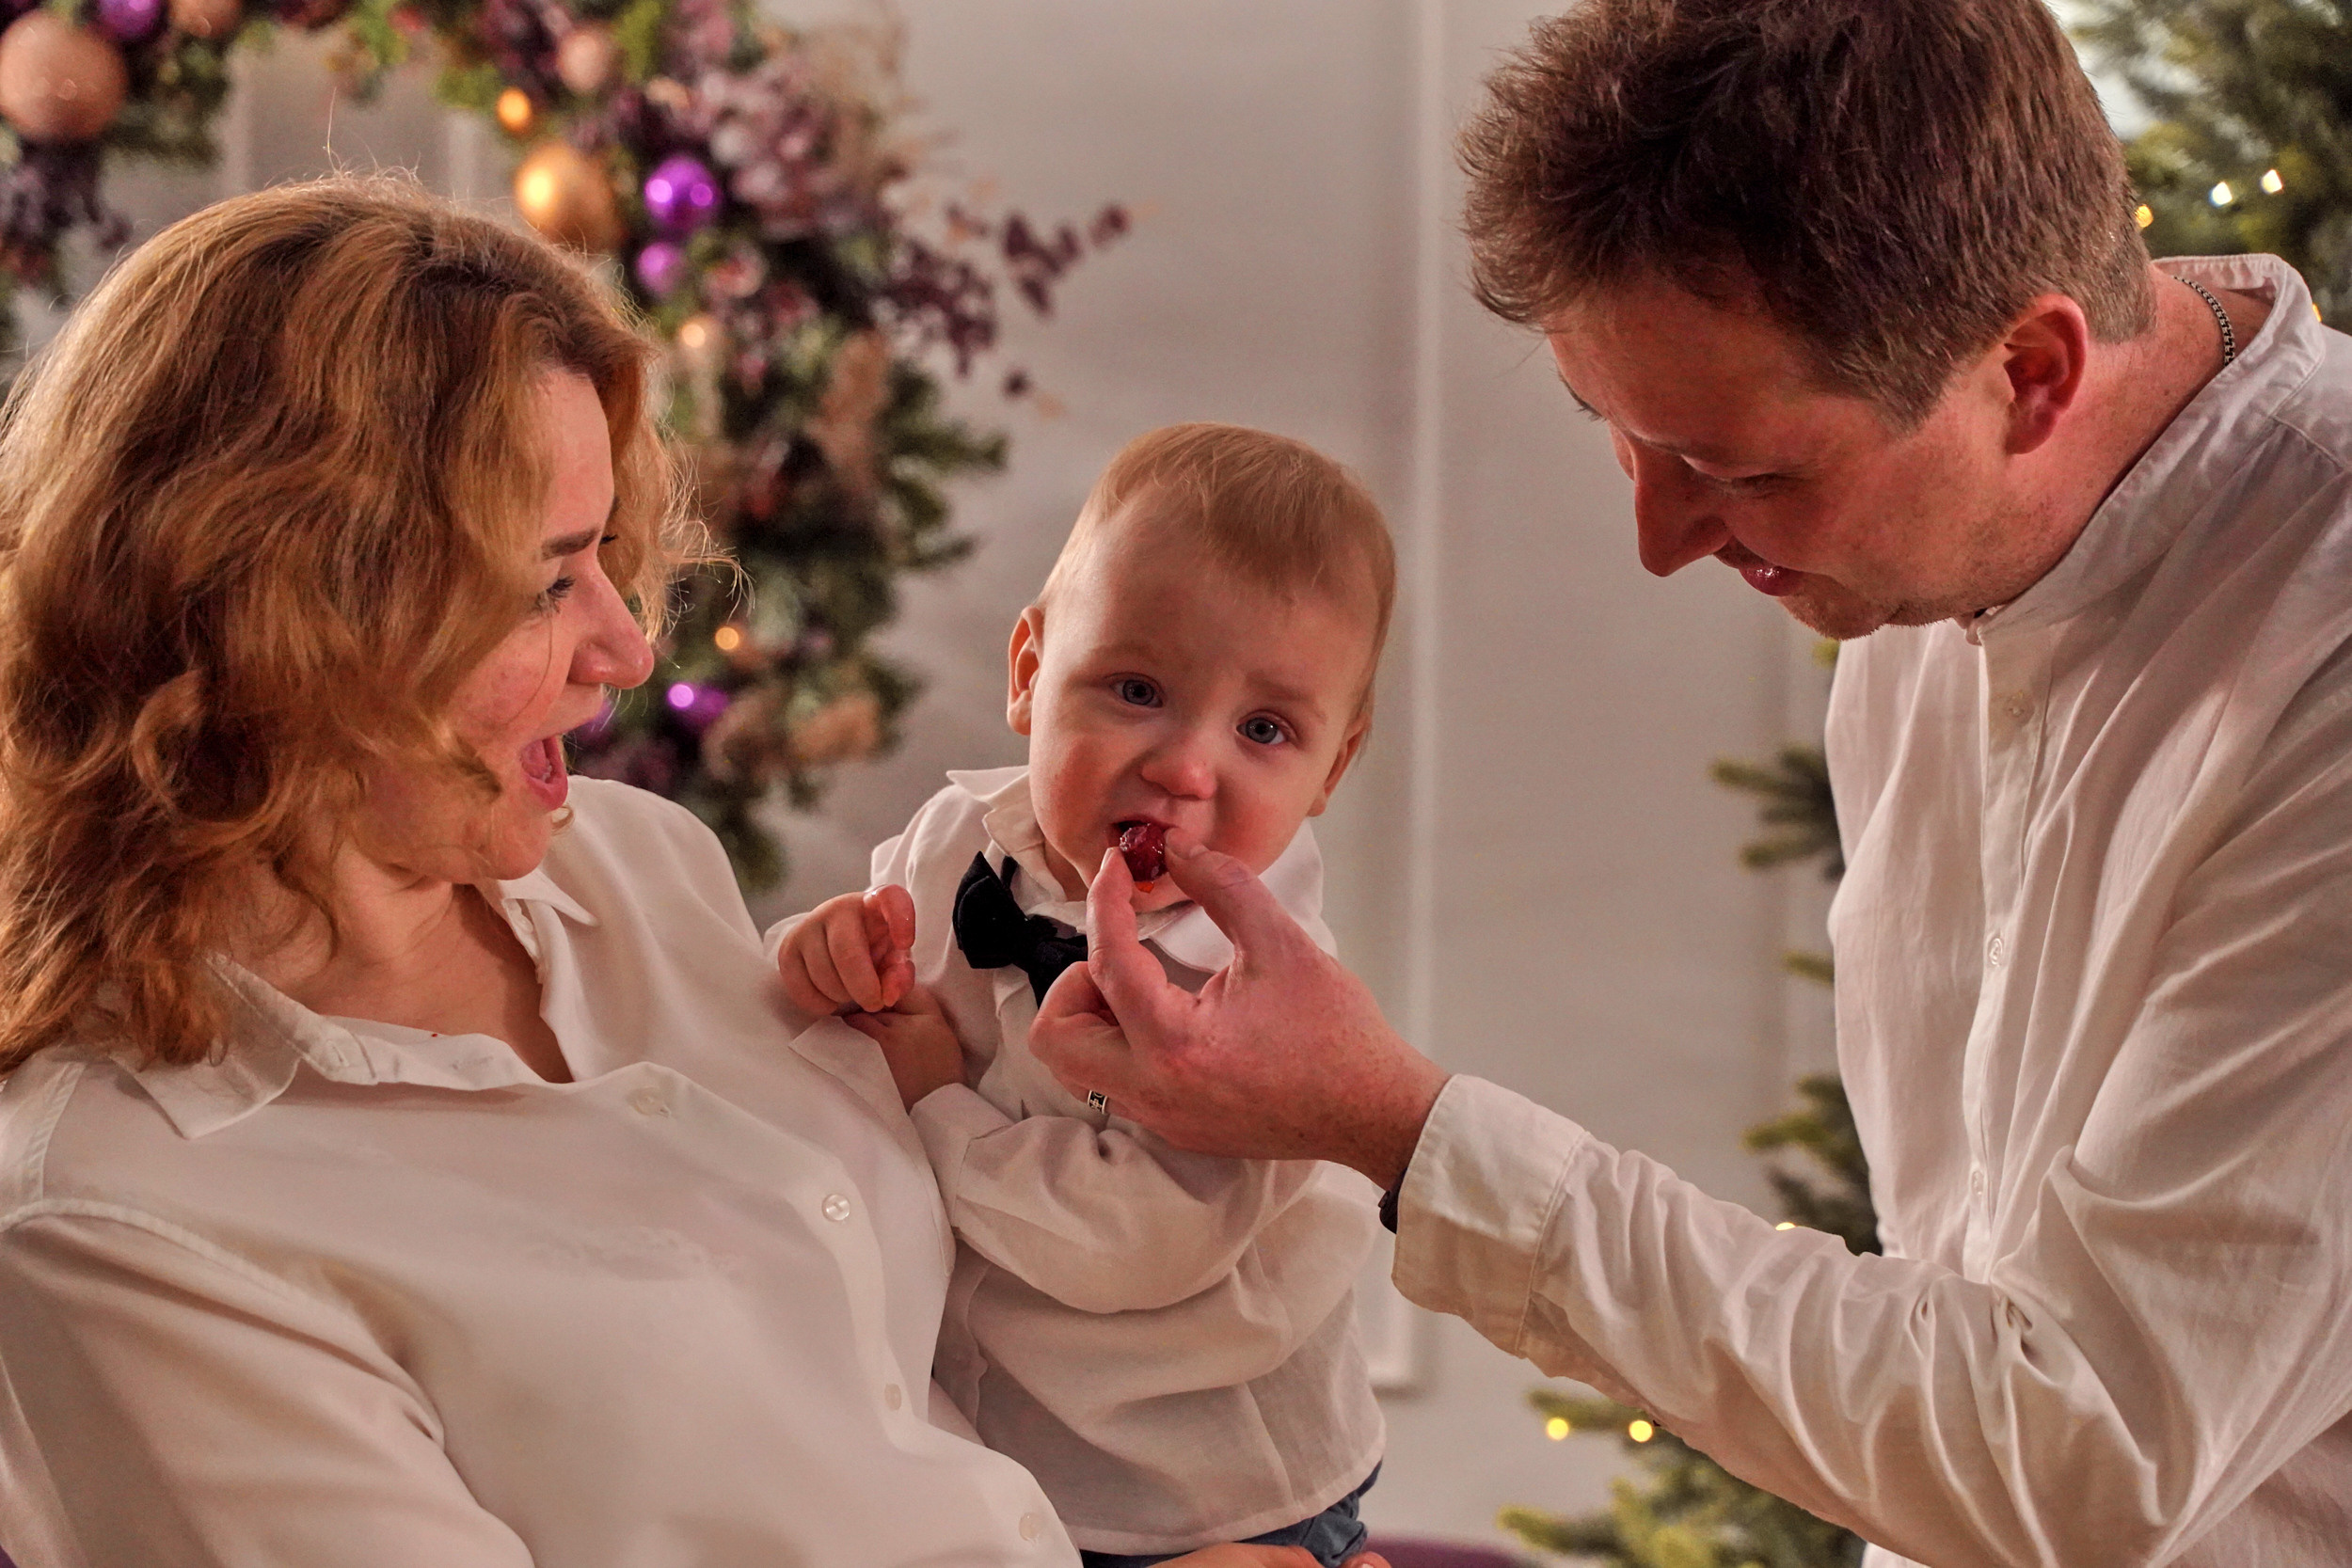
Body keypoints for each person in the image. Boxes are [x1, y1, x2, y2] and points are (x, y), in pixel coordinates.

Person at [1029, 2, 2352, 1565]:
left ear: (2031, 370)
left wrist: (1398, 1124)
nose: (1661, 541)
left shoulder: (2320, 648)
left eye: (1745, 469)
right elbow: (1957, 1301)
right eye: (1617, 430)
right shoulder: (1921, 583)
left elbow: (2083, 1453)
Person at [0, 175, 1375, 1568]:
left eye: (606, 552)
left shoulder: (634, 860)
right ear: (293, 622)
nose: (626, 648)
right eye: (547, 582)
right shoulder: (115, 1214)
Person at [772, 423, 1394, 1568]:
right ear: (1029, 672)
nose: (1184, 766)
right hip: (992, 1447)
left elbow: (1133, 1243)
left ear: (1331, 769)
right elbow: (845, 1014)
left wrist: (935, 1101)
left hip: (1202, 1492)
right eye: (1137, 688)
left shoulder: (1265, 1001)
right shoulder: (952, 840)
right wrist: (824, 951)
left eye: (1263, 729)